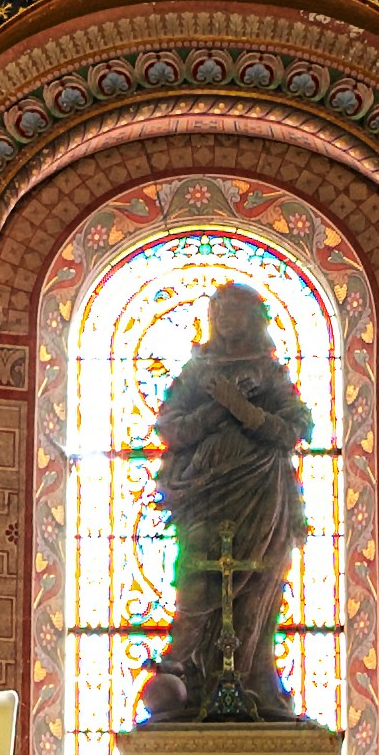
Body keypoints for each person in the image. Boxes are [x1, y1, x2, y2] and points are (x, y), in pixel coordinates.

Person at [141, 278, 316, 722]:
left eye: (236, 311)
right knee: (197, 583)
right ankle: (189, 680)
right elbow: (172, 430)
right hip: (203, 494)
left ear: (253, 318)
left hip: (262, 495)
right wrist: (216, 409)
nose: (227, 319)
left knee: (257, 589)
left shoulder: (269, 371)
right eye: (220, 311)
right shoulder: (196, 372)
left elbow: (294, 429)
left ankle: (256, 684)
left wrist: (241, 407)